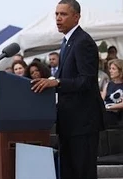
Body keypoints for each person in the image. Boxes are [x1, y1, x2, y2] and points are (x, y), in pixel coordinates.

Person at [30, 0, 105, 178]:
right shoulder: (67, 42)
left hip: (83, 122)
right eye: (56, 14)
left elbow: (86, 81)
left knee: (82, 172)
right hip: (69, 122)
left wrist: (57, 82)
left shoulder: (82, 42)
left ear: (76, 17)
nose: (58, 18)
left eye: (63, 14)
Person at [101, 59, 123, 128]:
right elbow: (102, 99)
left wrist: (108, 107)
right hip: (106, 113)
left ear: (120, 71)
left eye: (113, 69)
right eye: (110, 68)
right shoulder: (108, 85)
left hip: (117, 115)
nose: (110, 71)